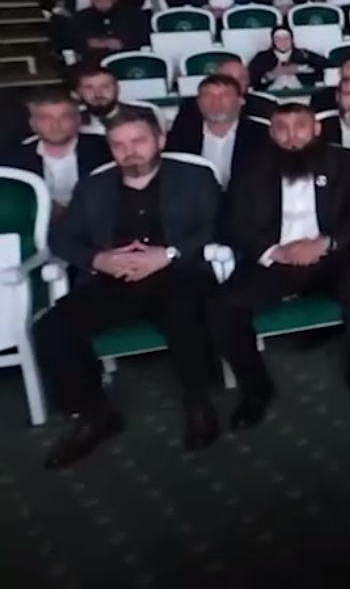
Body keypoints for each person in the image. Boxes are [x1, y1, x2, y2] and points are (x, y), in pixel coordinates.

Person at [33, 107, 224, 469]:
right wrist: (99, 259)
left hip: (178, 272)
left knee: (186, 313)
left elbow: (217, 225)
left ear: (160, 140)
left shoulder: (195, 177)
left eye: (138, 141)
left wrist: (167, 253)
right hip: (113, 278)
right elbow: (62, 239)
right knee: (52, 328)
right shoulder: (93, 186)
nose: (129, 151)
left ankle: (198, 403)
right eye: (118, 144)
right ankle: (94, 414)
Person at [209, 104, 350, 427]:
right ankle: (256, 389)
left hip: (330, 255)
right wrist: (274, 252)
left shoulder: (344, 161)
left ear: (316, 129)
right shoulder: (251, 167)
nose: (291, 136)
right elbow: (233, 223)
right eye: (282, 128)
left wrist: (325, 243)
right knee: (222, 306)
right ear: (271, 134)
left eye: (299, 126)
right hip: (276, 261)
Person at [0, 87, 111, 218]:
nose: (55, 125)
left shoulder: (105, 151)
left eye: (64, 117)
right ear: (32, 124)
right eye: (45, 119)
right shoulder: (13, 160)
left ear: (78, 120)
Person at [163, 74, 271, 188]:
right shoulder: (180, 137)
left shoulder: (263, 136)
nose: (215, 102)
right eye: (208, 96)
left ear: (241, 101)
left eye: (224, 95)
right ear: (198, 102)